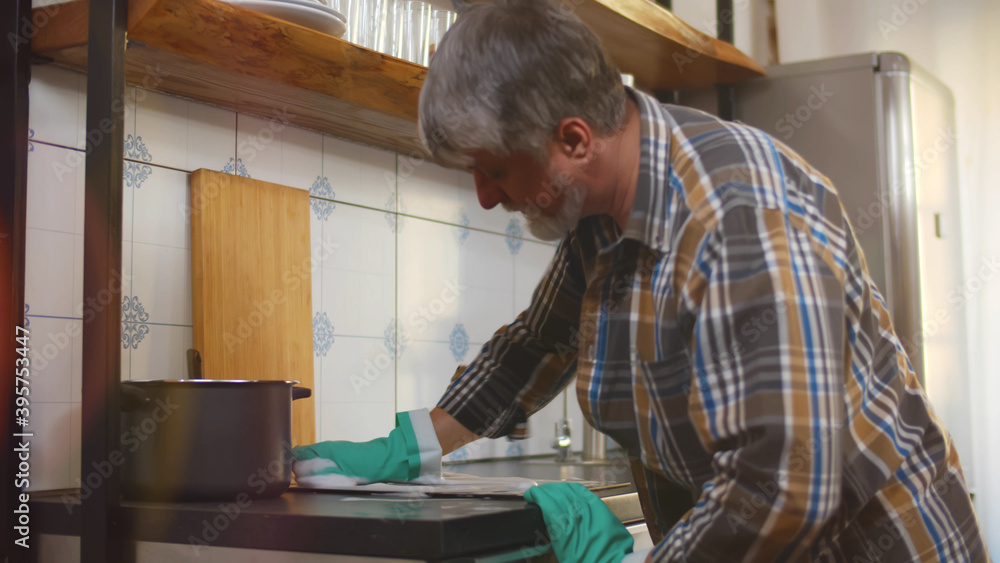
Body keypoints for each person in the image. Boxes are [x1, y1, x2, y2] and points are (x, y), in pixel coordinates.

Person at [293, 1, 990, 561]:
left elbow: (782, 483)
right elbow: (534, 348)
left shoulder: (735, 216)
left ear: (573, 140)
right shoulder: (601, 217)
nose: (484, 196)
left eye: (496, 169)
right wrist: (407, 446)